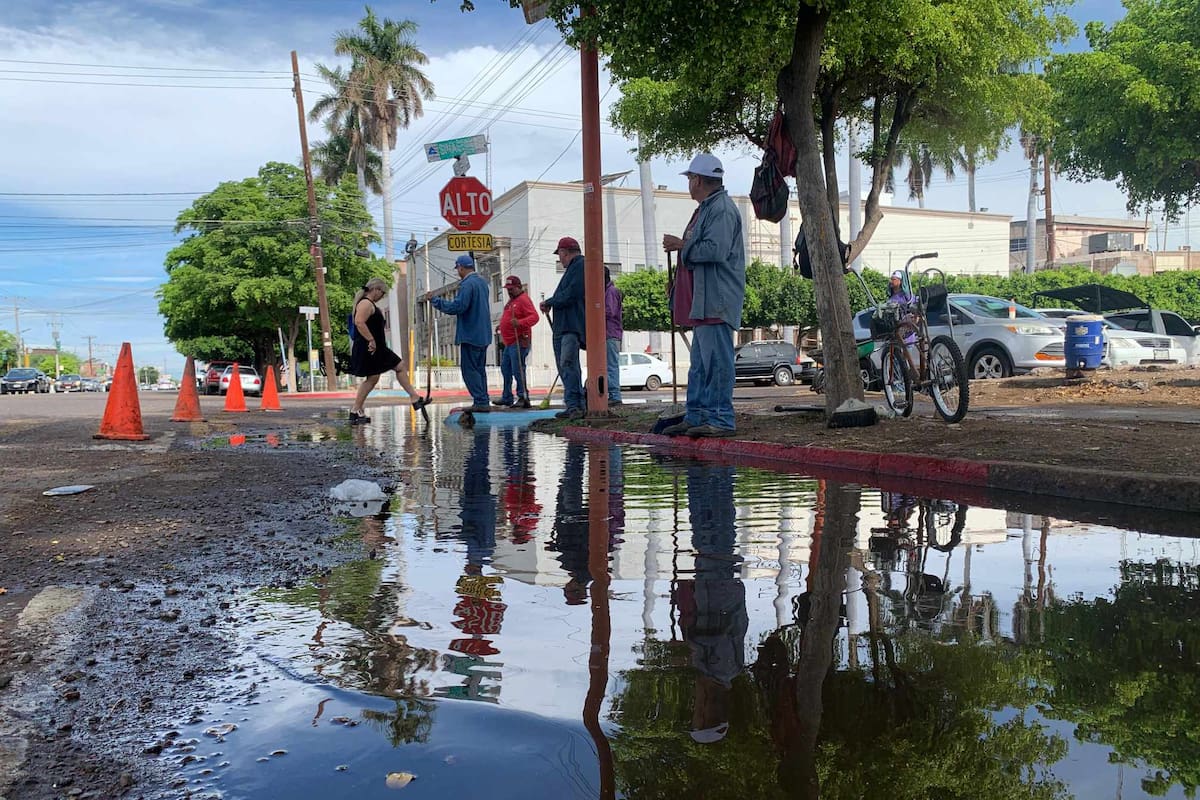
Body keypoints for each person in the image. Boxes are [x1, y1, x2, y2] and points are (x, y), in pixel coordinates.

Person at [662, 153, 746, 438]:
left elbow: (715, 250)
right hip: (705, 301)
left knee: (717, 363)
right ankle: (696, 415)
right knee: (699, 365)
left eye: (689, 179)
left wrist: (682, 245)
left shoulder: (720, 209)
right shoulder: (707, 208)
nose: (688, 184)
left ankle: (721, 418)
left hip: (717, 300)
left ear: (697, 180)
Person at [348, 277, 428, 425]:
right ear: (376, 289)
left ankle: (356, 410)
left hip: (377, 348)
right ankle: (355, 410)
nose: (382, 296)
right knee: (386, 372)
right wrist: (371, 340)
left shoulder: (368, 304)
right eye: (382, 293)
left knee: (384, 373)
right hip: (370, 347)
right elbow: (359, 322)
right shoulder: (366, 303)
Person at [431, 254, 493, 412]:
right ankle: (483, 400)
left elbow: (458, 307)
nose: (457, 272)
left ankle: (480, 401)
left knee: (469, 370)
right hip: (483, 333)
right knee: (479, 369)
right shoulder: (482, 283)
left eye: (458, 268)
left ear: (461, 267)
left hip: (471, 334)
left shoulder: (467, 284)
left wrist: (437, 301)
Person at [540, 236, 586, 420]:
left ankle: (575, 405)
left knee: (568, 364)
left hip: (570, 326)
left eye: (560, 255)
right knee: (565, 365)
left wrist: (550, 301)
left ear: (564, 252)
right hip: (565, 326)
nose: (559, 259)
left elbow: (572, 293)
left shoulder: (579, 266)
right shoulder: (573, 269)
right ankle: (573, 404)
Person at [496, 274, 539, 408]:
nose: (509, 291)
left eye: (512, 288)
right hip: (510, 343)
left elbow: (535, 317)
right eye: (508, 288)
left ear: (519, 287)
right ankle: (507, 396)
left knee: (518, 369)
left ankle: (523, 396)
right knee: (506, 368)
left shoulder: (523, 300)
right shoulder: (511, 301)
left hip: (519, 341)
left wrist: (520, 323)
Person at [604, 266, 623, 405]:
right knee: (609, 365)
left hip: (610, 333)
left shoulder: (611, 291)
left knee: (611, 365)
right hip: (610, 333)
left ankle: (615, 396)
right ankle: (613, 395)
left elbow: (609, 311)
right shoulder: (609, 291)